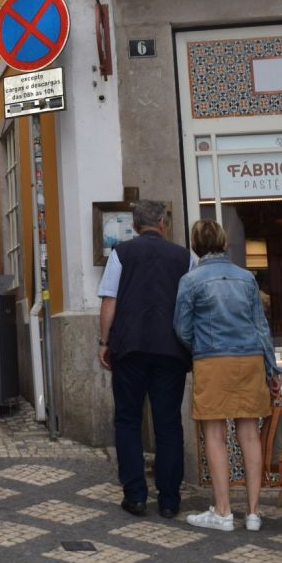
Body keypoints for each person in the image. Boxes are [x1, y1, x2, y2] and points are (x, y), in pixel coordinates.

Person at [174, 220, 280, 533]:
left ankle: (222, 511)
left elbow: (181, 327)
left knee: (215, 436)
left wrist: (201, 346)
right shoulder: (247, 278)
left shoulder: (190, 280)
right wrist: (271, 368)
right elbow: (262, 327)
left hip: (212, 360)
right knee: (249, 435)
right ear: (223, 242)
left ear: (195, 245)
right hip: (249, 360)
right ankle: (253, 512)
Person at [98, 199, 193, 519]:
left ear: (135, 225)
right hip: (172, 349)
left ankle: (136, 495)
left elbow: (109, 300)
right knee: (168, 422)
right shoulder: (185, 256)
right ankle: (169, 499)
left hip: (130, 346)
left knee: (128, 420)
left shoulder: (121, 253)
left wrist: (103, 341)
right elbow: (190, 303)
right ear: (163, 223)